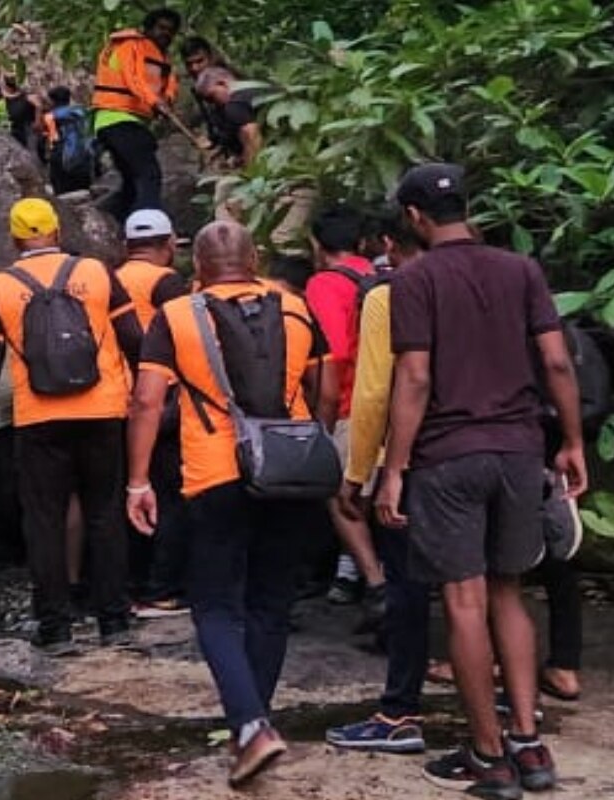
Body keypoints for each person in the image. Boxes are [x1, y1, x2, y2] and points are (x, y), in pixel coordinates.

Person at [374, 163, 586, 799]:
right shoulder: (521, 270)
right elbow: (555, 359)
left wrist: (393, 468)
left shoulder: (415, 280)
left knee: (463, 601)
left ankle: (488, 757)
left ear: (414, 218)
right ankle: (529, 743)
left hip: (449, 455)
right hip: (519, 451)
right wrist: (572, 440)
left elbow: (413, 378)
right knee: (509, 594)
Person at [126, 220, 337, 788]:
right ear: (256, 258)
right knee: (271, 601)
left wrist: (139, 481)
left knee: (216, 606)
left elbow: (147, 401)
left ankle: (251, 727)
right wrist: (313, 438)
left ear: (197, 267)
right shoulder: (294, 307)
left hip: (215, 475)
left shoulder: (177, 316)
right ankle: (255, 722)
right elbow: (328, 382)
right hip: (288, 472)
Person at [0, 198, 143, 656]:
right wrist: (149, 394)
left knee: (44, 521)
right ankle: (115, 623)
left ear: (16, 238)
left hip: (38, 417)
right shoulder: (98, 273)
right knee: (105, 514)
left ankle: (56, 630)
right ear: (57, 231)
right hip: (103, 411)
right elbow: (134, 340)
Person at [324, 207, 431, 753]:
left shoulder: (387, 293)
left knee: (409, 584)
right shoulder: (498, 279)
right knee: (478, 585)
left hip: (410, 454)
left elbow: (372, 392)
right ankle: (511, 713)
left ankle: (399, 713)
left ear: (391, 239)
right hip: (486, 450)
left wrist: (361, 472)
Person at [304, 207, 387, 616]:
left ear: (317, 246)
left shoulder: (324, 284)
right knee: (375, 496)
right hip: (392, 400)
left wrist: (324, 420)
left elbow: (332, 356)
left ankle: (375, 582)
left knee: (343, 499)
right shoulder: (378, 275)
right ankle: (357, 571)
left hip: (352, 402)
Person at [115, 209, 189, 615]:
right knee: (169, 495)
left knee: (130, 492)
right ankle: (163, 589)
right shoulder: (166, 281)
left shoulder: (110, 279)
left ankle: (130, 586)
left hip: (118, 401)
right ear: (168, 245)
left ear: (127, 247)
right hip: (163, 399)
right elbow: (185, 335)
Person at [91, 8, 182, 222]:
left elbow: (168, 86)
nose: (165, 34)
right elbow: (134, 78)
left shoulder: (161, 57)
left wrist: (166, 101)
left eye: (170, 31)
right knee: (149, 174)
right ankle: (148, 230)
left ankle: (102, 221)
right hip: (117, 117)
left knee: (132, 184)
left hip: (130, 121)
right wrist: (155, 102)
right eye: (161, 28)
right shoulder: (130, 45)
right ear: (148, 28)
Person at [194, 67, 262, 170]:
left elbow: (251, 133)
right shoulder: (256, 87)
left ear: (222, 84)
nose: (213, 103)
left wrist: (250, 172)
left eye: (211, 97)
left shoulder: (234, 104)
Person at [44, 86, 96, 196]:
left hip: (62, 159)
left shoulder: (51, 117)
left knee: (63, 196)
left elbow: (52, 138)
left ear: (52, 101)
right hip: (84, 158)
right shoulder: (82, 111)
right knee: (85, 193)